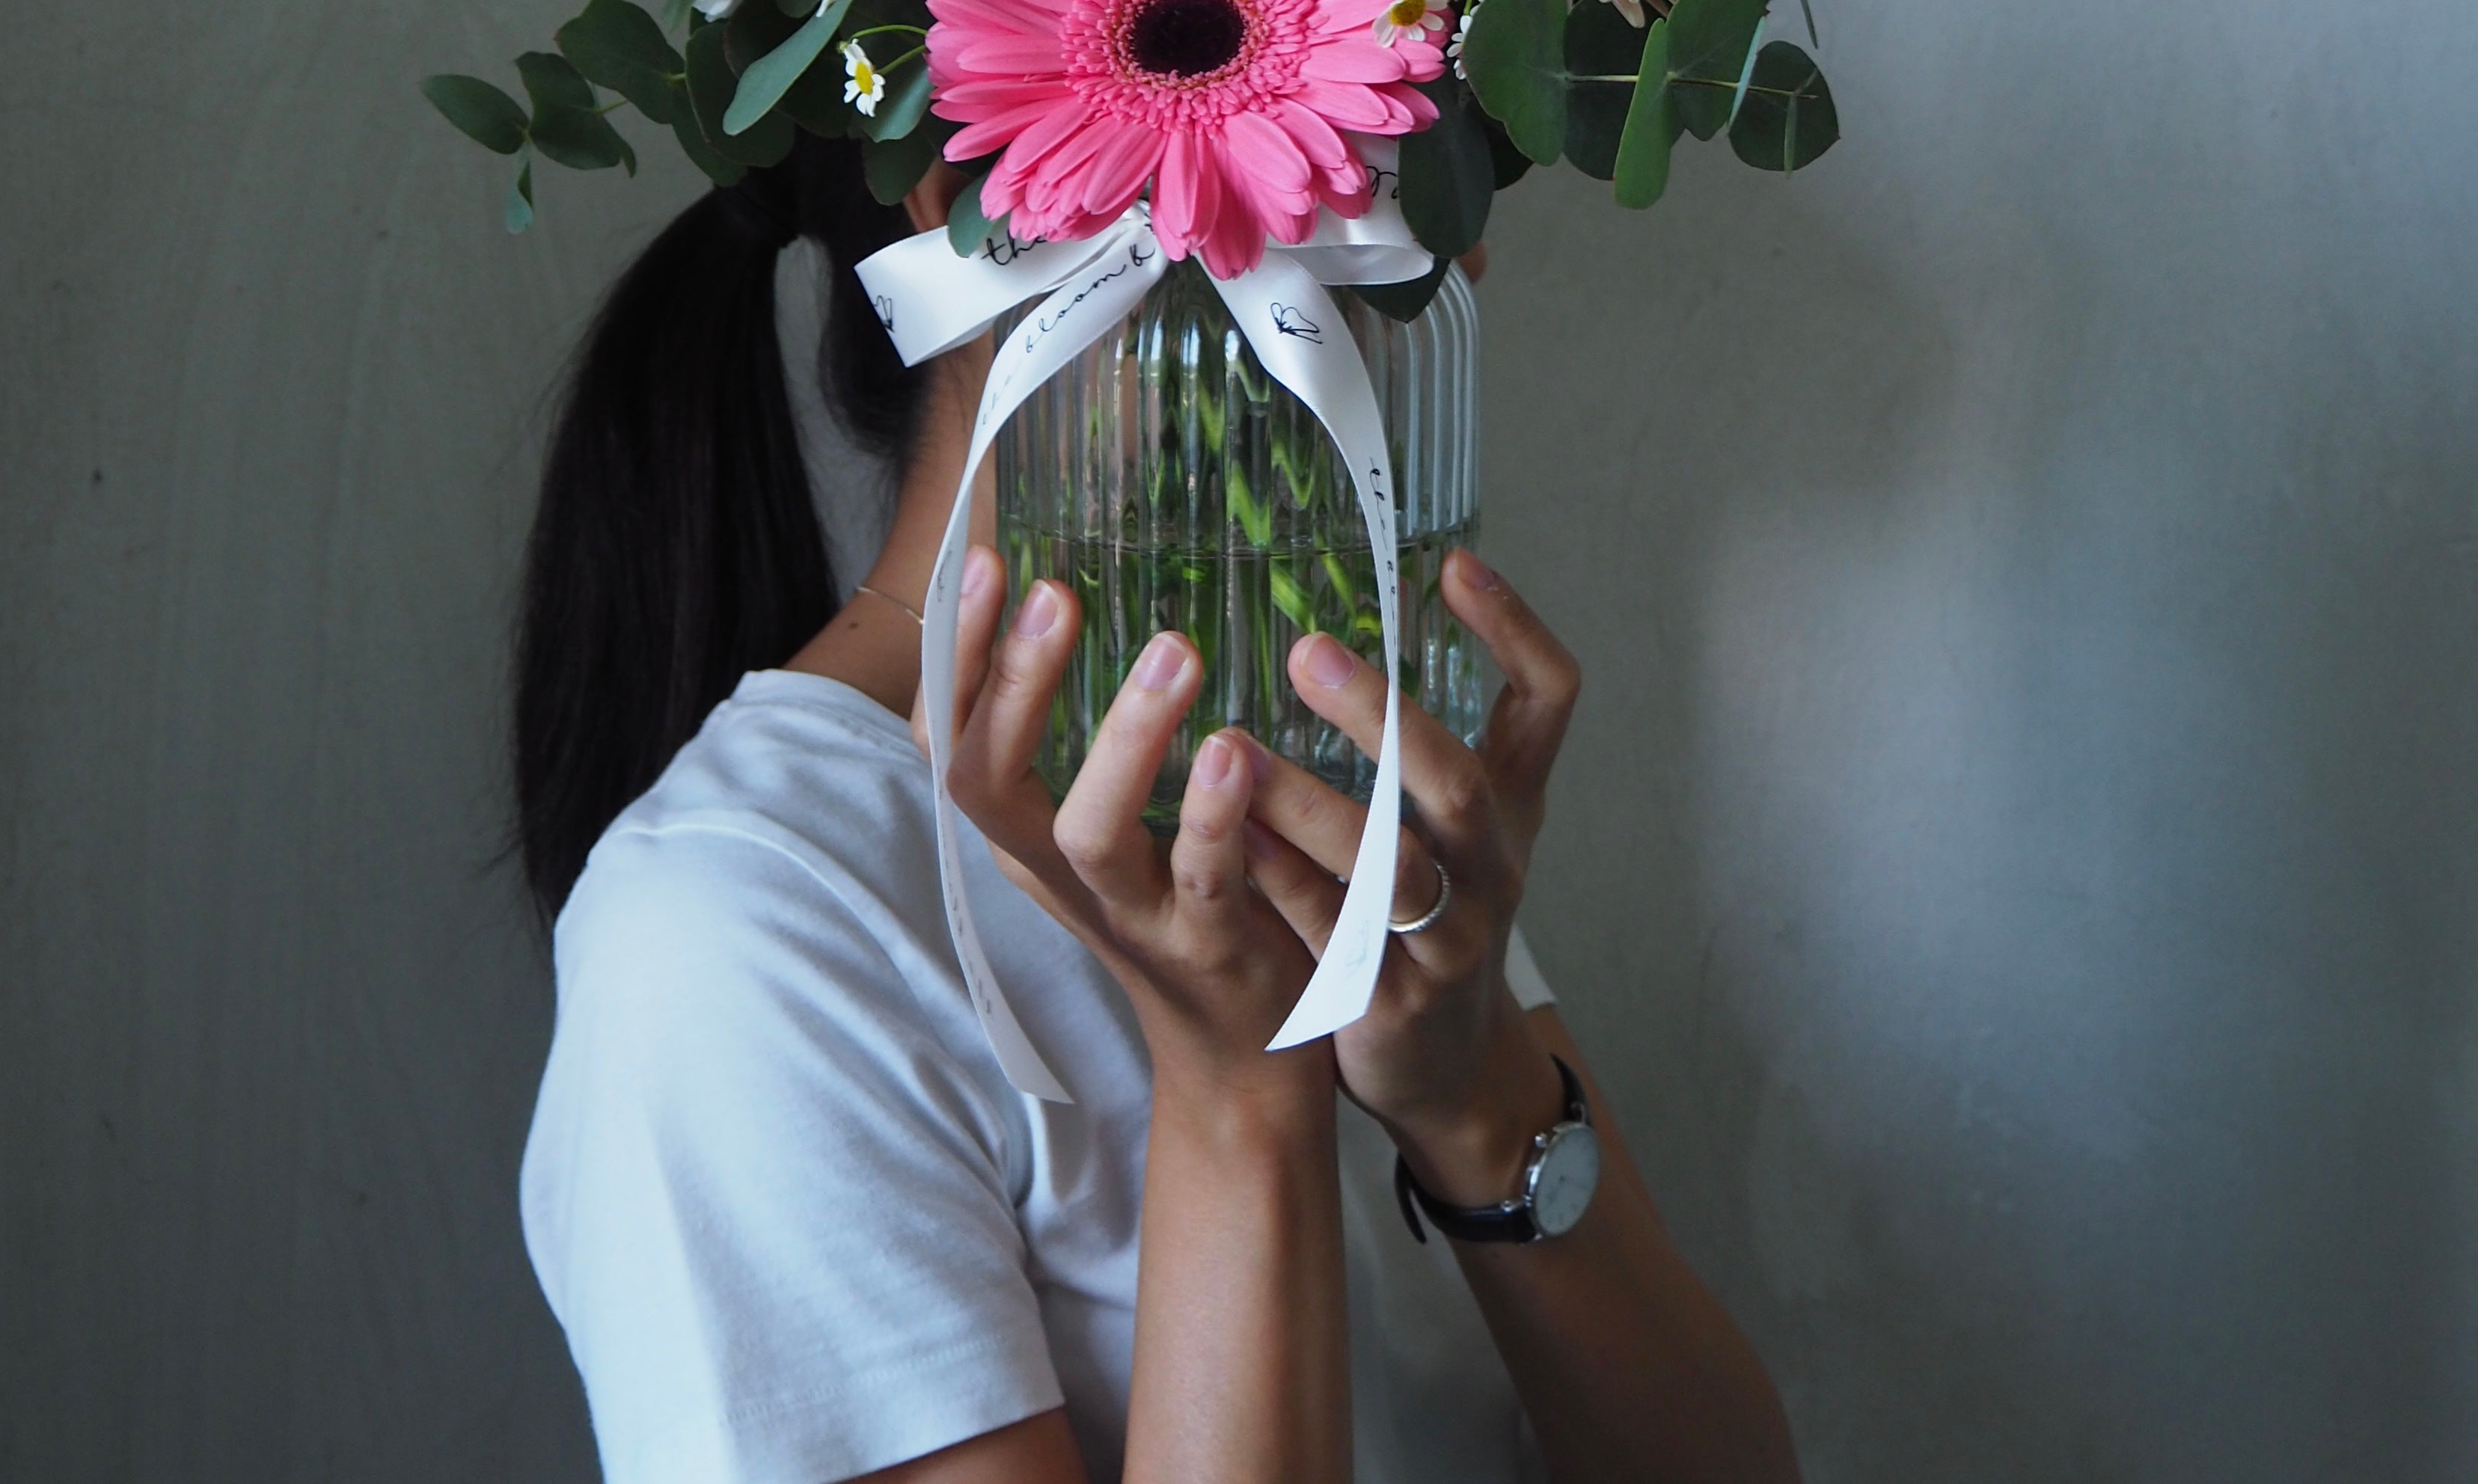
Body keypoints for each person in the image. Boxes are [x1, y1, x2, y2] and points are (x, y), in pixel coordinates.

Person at [515, 137, 1801, 1484]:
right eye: (1350, 158)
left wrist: (1473, 1089)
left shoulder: (1299, 729)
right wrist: (1234, 1089)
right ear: (996, 217)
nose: (1458, 252)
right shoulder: (735, 934)